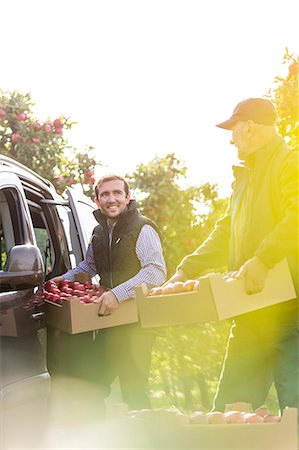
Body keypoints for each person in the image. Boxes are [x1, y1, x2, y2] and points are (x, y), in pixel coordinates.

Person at [166, 98, 298, 414]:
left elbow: (296, 215)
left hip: (289, 312)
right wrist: (186, 269)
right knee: (229, 412)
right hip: (251, 310)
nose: (231, 138)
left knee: (295, 411)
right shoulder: (245, 176)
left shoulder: (289, 162)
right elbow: (225, 230)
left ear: (249, 127)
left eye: (234, 130)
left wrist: (263, 259)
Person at [48, 174, 166, 413]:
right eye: (105, 194)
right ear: (97, 199)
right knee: (92, 384)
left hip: (137, 325)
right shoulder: (99, 232)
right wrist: (65, 278)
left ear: (127, 197)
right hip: (109, 321)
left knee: (134, 392)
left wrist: (117, 294)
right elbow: (89, 266)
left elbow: (155, 272)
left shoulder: (142, 228)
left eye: (116, 193)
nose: (111, 199)